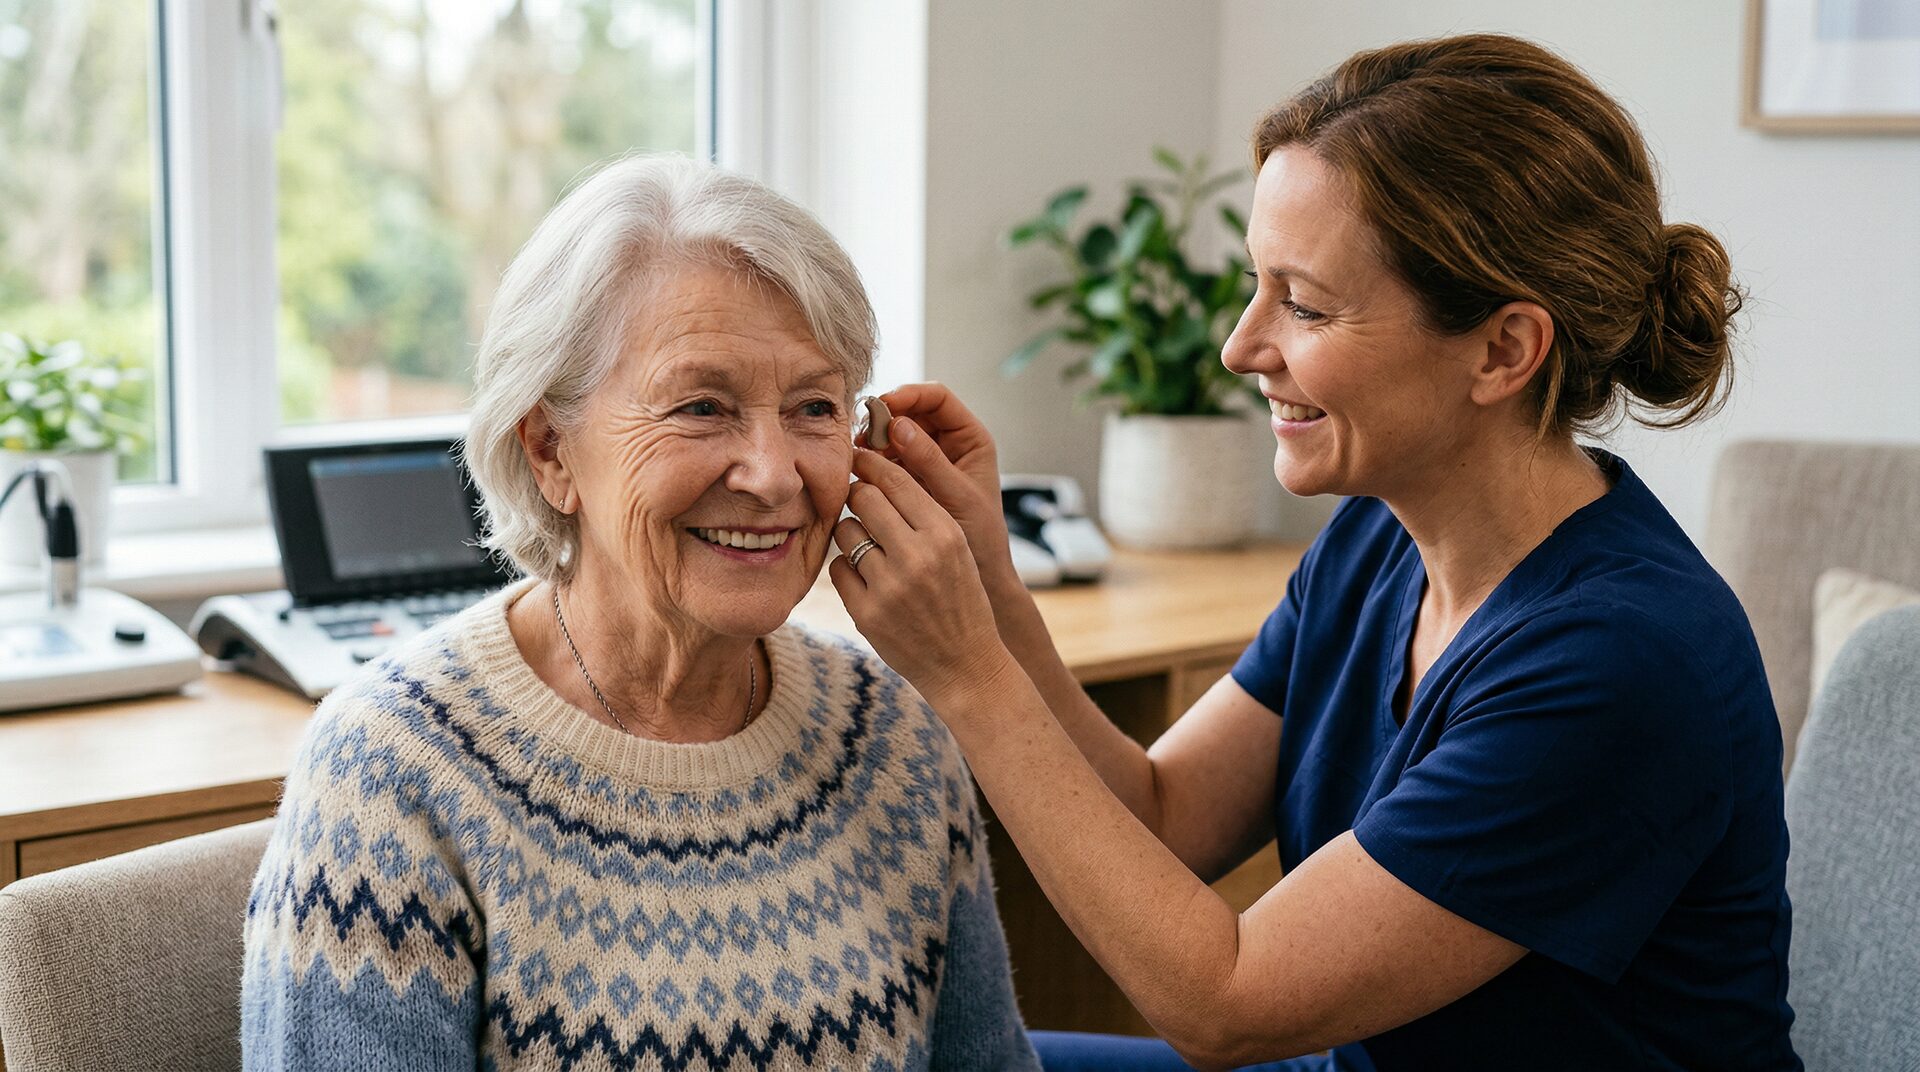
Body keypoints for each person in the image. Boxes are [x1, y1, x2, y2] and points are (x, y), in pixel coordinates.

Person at [828, 34, 1800, 1072]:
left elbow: (1226, 1002)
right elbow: (1165, 819)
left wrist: (970, 672)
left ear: (1504, 350)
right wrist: (993, 581)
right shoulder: (1380, 539)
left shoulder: (1620, 661)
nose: (1240, 348)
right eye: (1257, 287)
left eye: (1304, 303)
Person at [240, 155, 1041, 1071]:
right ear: (549, 451)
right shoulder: (392, 775)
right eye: (703, 407)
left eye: (814, 408)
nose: (774, 474)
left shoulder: (896, 738)